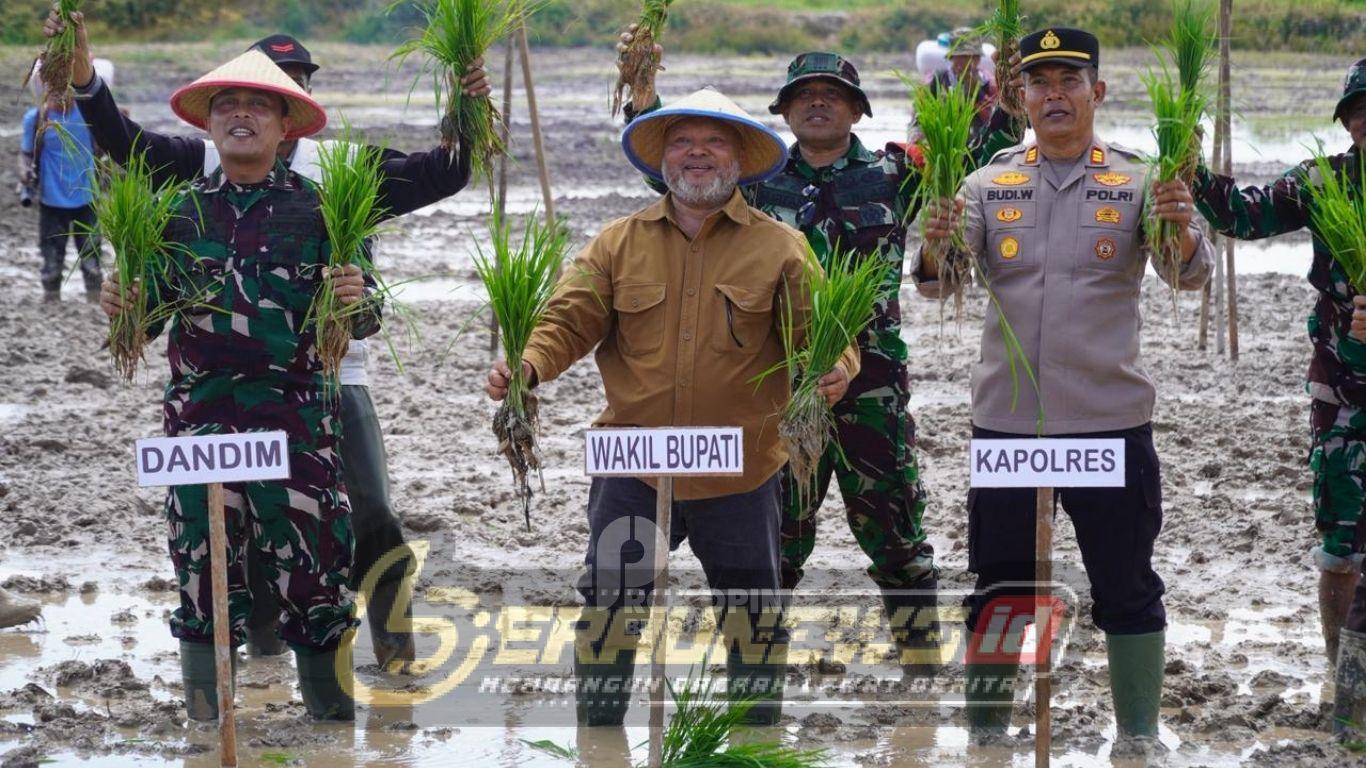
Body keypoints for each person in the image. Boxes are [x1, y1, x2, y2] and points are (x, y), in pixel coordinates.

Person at [53, 8, 489, 671]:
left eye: (282, 88)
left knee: (369, 510)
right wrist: (86, 82)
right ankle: (261, 659)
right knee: (245, 523)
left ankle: (395, 647)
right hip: (226, 392)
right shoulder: (206, 160)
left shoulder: (344, 166)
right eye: (248, 90)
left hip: (330, 381)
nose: (259, 105)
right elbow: (126, 144)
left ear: (299, 103)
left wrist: (467, 104)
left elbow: (445, 172)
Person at [619, 35, 1024, 674]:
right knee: (777, 536)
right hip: (779, 383)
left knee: (895, 531)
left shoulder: (897, 173)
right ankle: (760, 670)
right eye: (803, 96)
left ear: (857, 110)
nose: (817, 105)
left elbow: (976, 153)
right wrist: (643, 96)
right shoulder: (754, 185)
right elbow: (671, 170)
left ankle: (922, 667)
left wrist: (1001, 83)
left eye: (831, 96)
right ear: (783, 111)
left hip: (875, 387)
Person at [486, 88, 858, 727]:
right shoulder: (617, 243)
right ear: (663, 157)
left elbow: (825, 335)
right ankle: (597, 738)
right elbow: (568, 320)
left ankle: (754, 743)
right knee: (608, 606)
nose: (697, 155)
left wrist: (835, 371)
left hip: (738, 468)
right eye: (683, 141)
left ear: (739, 157)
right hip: (633, 462)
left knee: (752, 615)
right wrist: (526, 365)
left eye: (714, 142)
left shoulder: (780, 248)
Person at [919, 27, 1214, 745]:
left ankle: (1137, 739)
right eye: (1040, 83)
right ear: (1019, 96)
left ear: (1097, 92)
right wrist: (933, 243)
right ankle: (987, 739)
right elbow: (942, 284)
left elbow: (1189, 274)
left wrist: (1180, 228)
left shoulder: (1142, 181)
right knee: (998, 591)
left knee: (1127, 584)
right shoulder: (987, 184)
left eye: (1070, 81)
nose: (1055, 95)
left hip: (1109, 423)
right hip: (1009, 426)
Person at [1190, 57, 1366, 735]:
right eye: (1357, 113)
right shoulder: (1326, 181)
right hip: (1344, 388)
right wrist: (1192, 174)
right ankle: (1345, 687)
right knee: (1342, 543)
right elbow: (1245, 214)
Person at [19, 80, 102, 303]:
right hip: (51, 199)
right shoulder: (36, 119)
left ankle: (95, 300)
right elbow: (26, 154)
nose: (58, 96)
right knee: (51, 259)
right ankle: (51, 298)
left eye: (63, 90)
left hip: (87, 197)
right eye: (53, 91)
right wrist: (26, 173)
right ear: (44, 91)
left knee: (92, 259)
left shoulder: (88, 116)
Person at [909, 27, 1002, 150]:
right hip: (941, 147)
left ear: (979, 58)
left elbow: (994, 122)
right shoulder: (935, 81)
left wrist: (976, 93)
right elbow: (919, 117)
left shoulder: (989, 83)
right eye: (963, 56)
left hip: (978, 148)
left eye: (973, 56)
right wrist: (918, 138)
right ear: (952, 57)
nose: (969, 61)